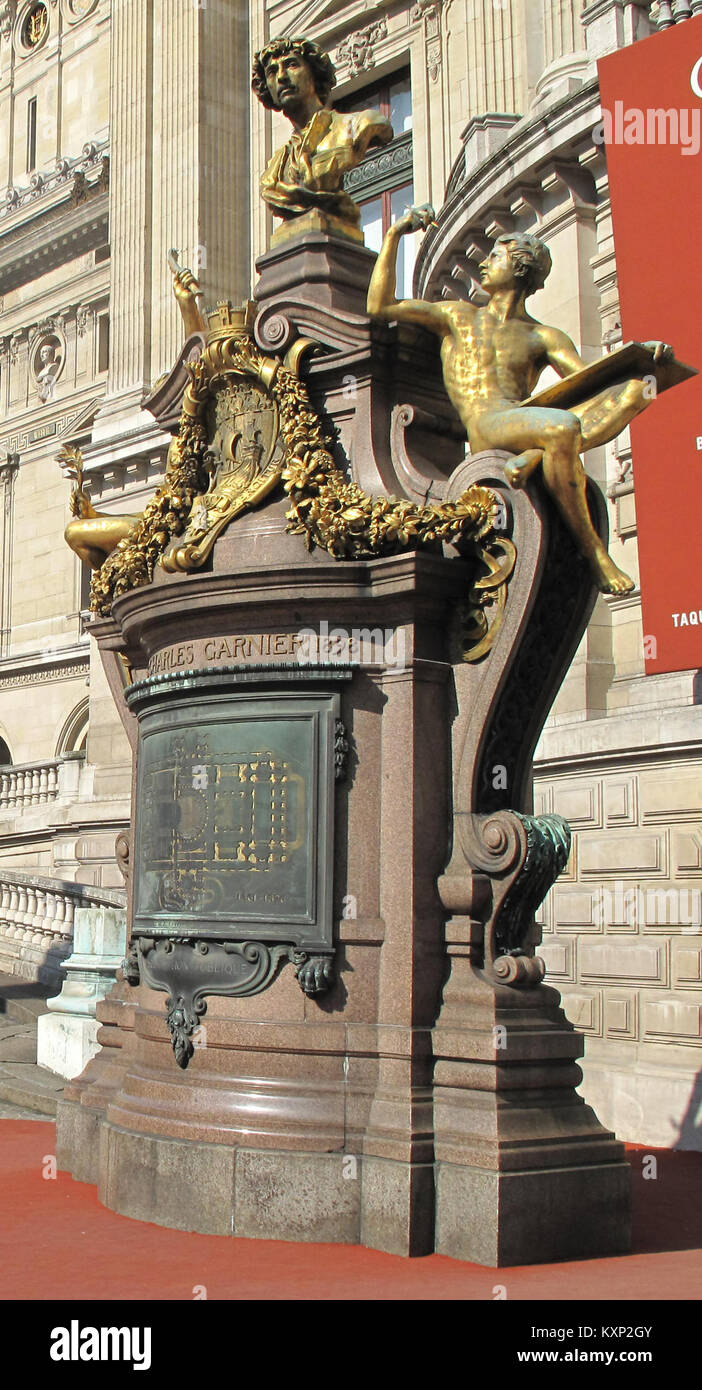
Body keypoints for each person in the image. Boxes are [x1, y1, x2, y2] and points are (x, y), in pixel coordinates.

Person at [367, 206, 675, 594]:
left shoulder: (543, 336)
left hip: (521, 419)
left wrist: (643, 359)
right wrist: (395, 233)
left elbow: (590, 384)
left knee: (637, 389)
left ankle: (538, 454)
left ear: (520, 269)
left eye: (495, 256)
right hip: (484, 424)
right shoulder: (458, 316)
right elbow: (379, 306)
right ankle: (594, 549)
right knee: (562, 427)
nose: (483, 262)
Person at [251, 36, 392, 234]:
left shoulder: (358, 125)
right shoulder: (275, 170)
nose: (281, 77)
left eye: (291, 65)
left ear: (314, 75)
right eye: (272, 72)